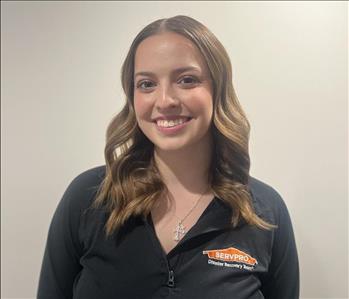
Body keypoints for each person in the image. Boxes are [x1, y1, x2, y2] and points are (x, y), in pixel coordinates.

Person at [37, 15, 299, 299]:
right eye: (147, 84)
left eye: (187, 80)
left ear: (218, 89)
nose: (165, 101)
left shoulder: (264, 212)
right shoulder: (88, 198)